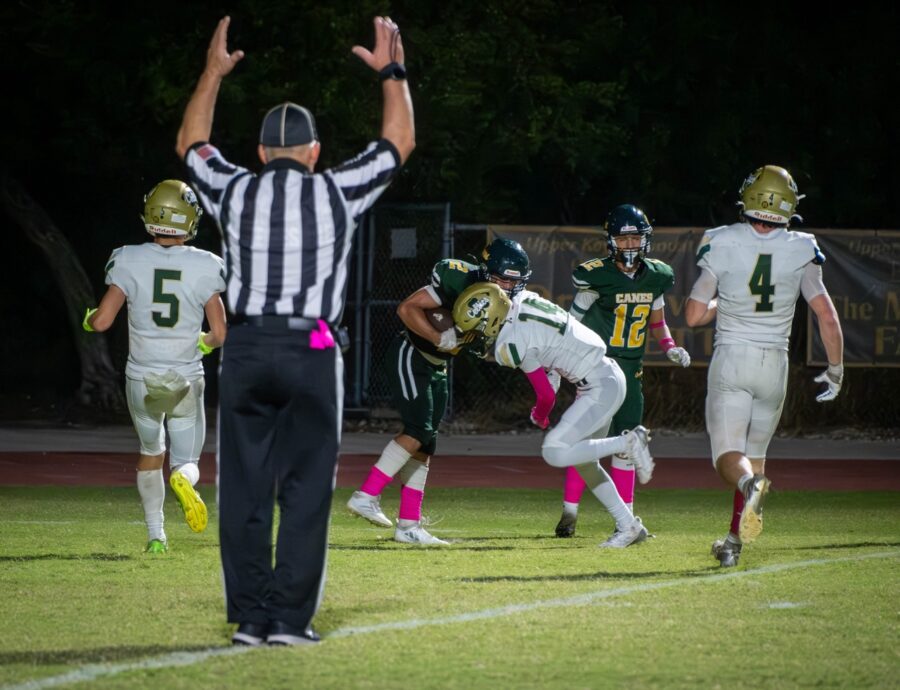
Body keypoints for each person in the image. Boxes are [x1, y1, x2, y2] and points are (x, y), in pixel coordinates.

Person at [176, 15, 414, 646]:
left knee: (244, 489)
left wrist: (213, 73)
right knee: (306, 492)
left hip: (248, 345)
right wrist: (392, 72)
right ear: (313, 152)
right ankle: (287, 622)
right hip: (312, 344)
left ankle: (251, 620)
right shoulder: (334, 191)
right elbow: (398, 144)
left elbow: (191, 143)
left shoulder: (234, 189)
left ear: (259, 153)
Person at [685, 165, 844, 568]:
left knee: (729, 457)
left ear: (749, 197)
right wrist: (836, 369)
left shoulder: (720, 240)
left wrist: (725, 303)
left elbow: (692, 316)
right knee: (755, 455)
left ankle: (749, 486)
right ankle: (734, 542)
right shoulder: (803, 245)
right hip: (775, 365)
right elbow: (826, 315)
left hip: (733, 359)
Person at [347, 237, 531, 545]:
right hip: (411, 353)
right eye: (502, 279)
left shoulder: (504, 304)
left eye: (514, 282)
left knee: (427, 443)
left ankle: (408, 526)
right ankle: (366, 494)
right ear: (487, 272)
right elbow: (407, 308)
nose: (508, 288)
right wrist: (436, 335)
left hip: (438, 364)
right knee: (418, 430)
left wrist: (456, 338)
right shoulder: (458, 277)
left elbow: (470, 344)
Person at [83, 179, 226, 554]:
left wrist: (88, 319)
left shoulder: (127, 258)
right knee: (187, 459)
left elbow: (101, 322)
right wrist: (203, 342)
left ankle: (156, 536)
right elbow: (220, 333)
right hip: (185, 376)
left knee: (150, 451)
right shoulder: (205, 264)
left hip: (141, 377)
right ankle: (184, 479)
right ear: (190, 220)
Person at [454, 282, 655, 548]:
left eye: (478, 328)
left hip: (598, 386)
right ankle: (629, 526)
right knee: (585, 462)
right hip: (605, 377)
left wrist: (539, 416)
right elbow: (553, 345)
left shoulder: (510, 342)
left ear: (491, 318)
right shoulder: (525, 299)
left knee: (554, 450)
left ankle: (627, 442)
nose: (478, 335)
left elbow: (546, 396)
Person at [554, 204, 691, 538]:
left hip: (631, 369)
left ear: (645, 240)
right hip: (597, 369)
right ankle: (569, 512)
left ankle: (625, 519)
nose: (629, 245)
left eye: (635, 238)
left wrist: (669, 346)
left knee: (629, 442)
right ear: (611, 240)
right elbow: (573, 321)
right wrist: (562, 360)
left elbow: (657, 320)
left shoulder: (656, 275)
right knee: (587, 441)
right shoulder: (595, 275)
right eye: (623, 238)